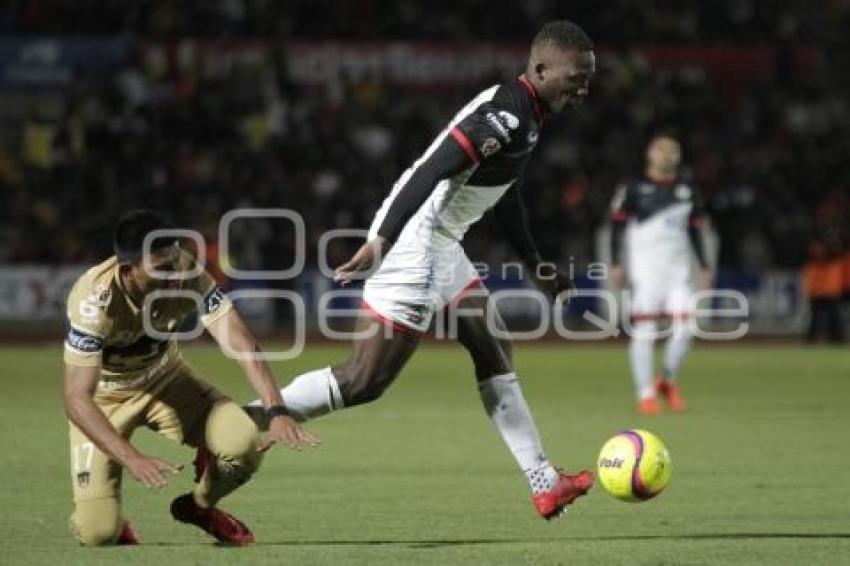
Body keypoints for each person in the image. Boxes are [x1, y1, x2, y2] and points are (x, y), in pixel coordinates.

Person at [248, 20, 596, 520]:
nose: (582, 88)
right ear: (541, 69)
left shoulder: (530, 114)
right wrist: (382, 240)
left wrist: (536, 265)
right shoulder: (507, 116)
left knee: (493, 343)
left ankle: (544, 482)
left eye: (587, 79)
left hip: (441, 241)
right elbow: (434, 168)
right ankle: (237, 423)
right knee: (362, 381)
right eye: (574, 77)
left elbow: (505, 192)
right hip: (417, 243)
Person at [62, 210, 317, 546]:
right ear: (128, 271)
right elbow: (76, 398)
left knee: (244, 443)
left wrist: (277, 411)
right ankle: (111, 521)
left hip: (167, 380)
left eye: (175, 259)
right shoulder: (93, 301)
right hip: (105, 401)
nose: (176, 277)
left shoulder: (185, 269)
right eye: (162, 268)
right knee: (98, 533)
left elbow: (239, 340)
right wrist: (132, 458)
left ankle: (200, 506)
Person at [609, 133, 711, 415]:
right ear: (649, 155)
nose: (667, 155)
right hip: (645, 272)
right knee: (645, 330)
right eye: (661, 150)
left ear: (678, 156)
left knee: (686, 327)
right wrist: (616, 263)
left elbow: (694, 230)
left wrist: (703, 266)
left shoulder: (687, 190)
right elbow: (616, 226)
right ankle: (645, 394)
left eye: (672, 150)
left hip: (678, 272)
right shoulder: (632, 188)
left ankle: (666, 379)